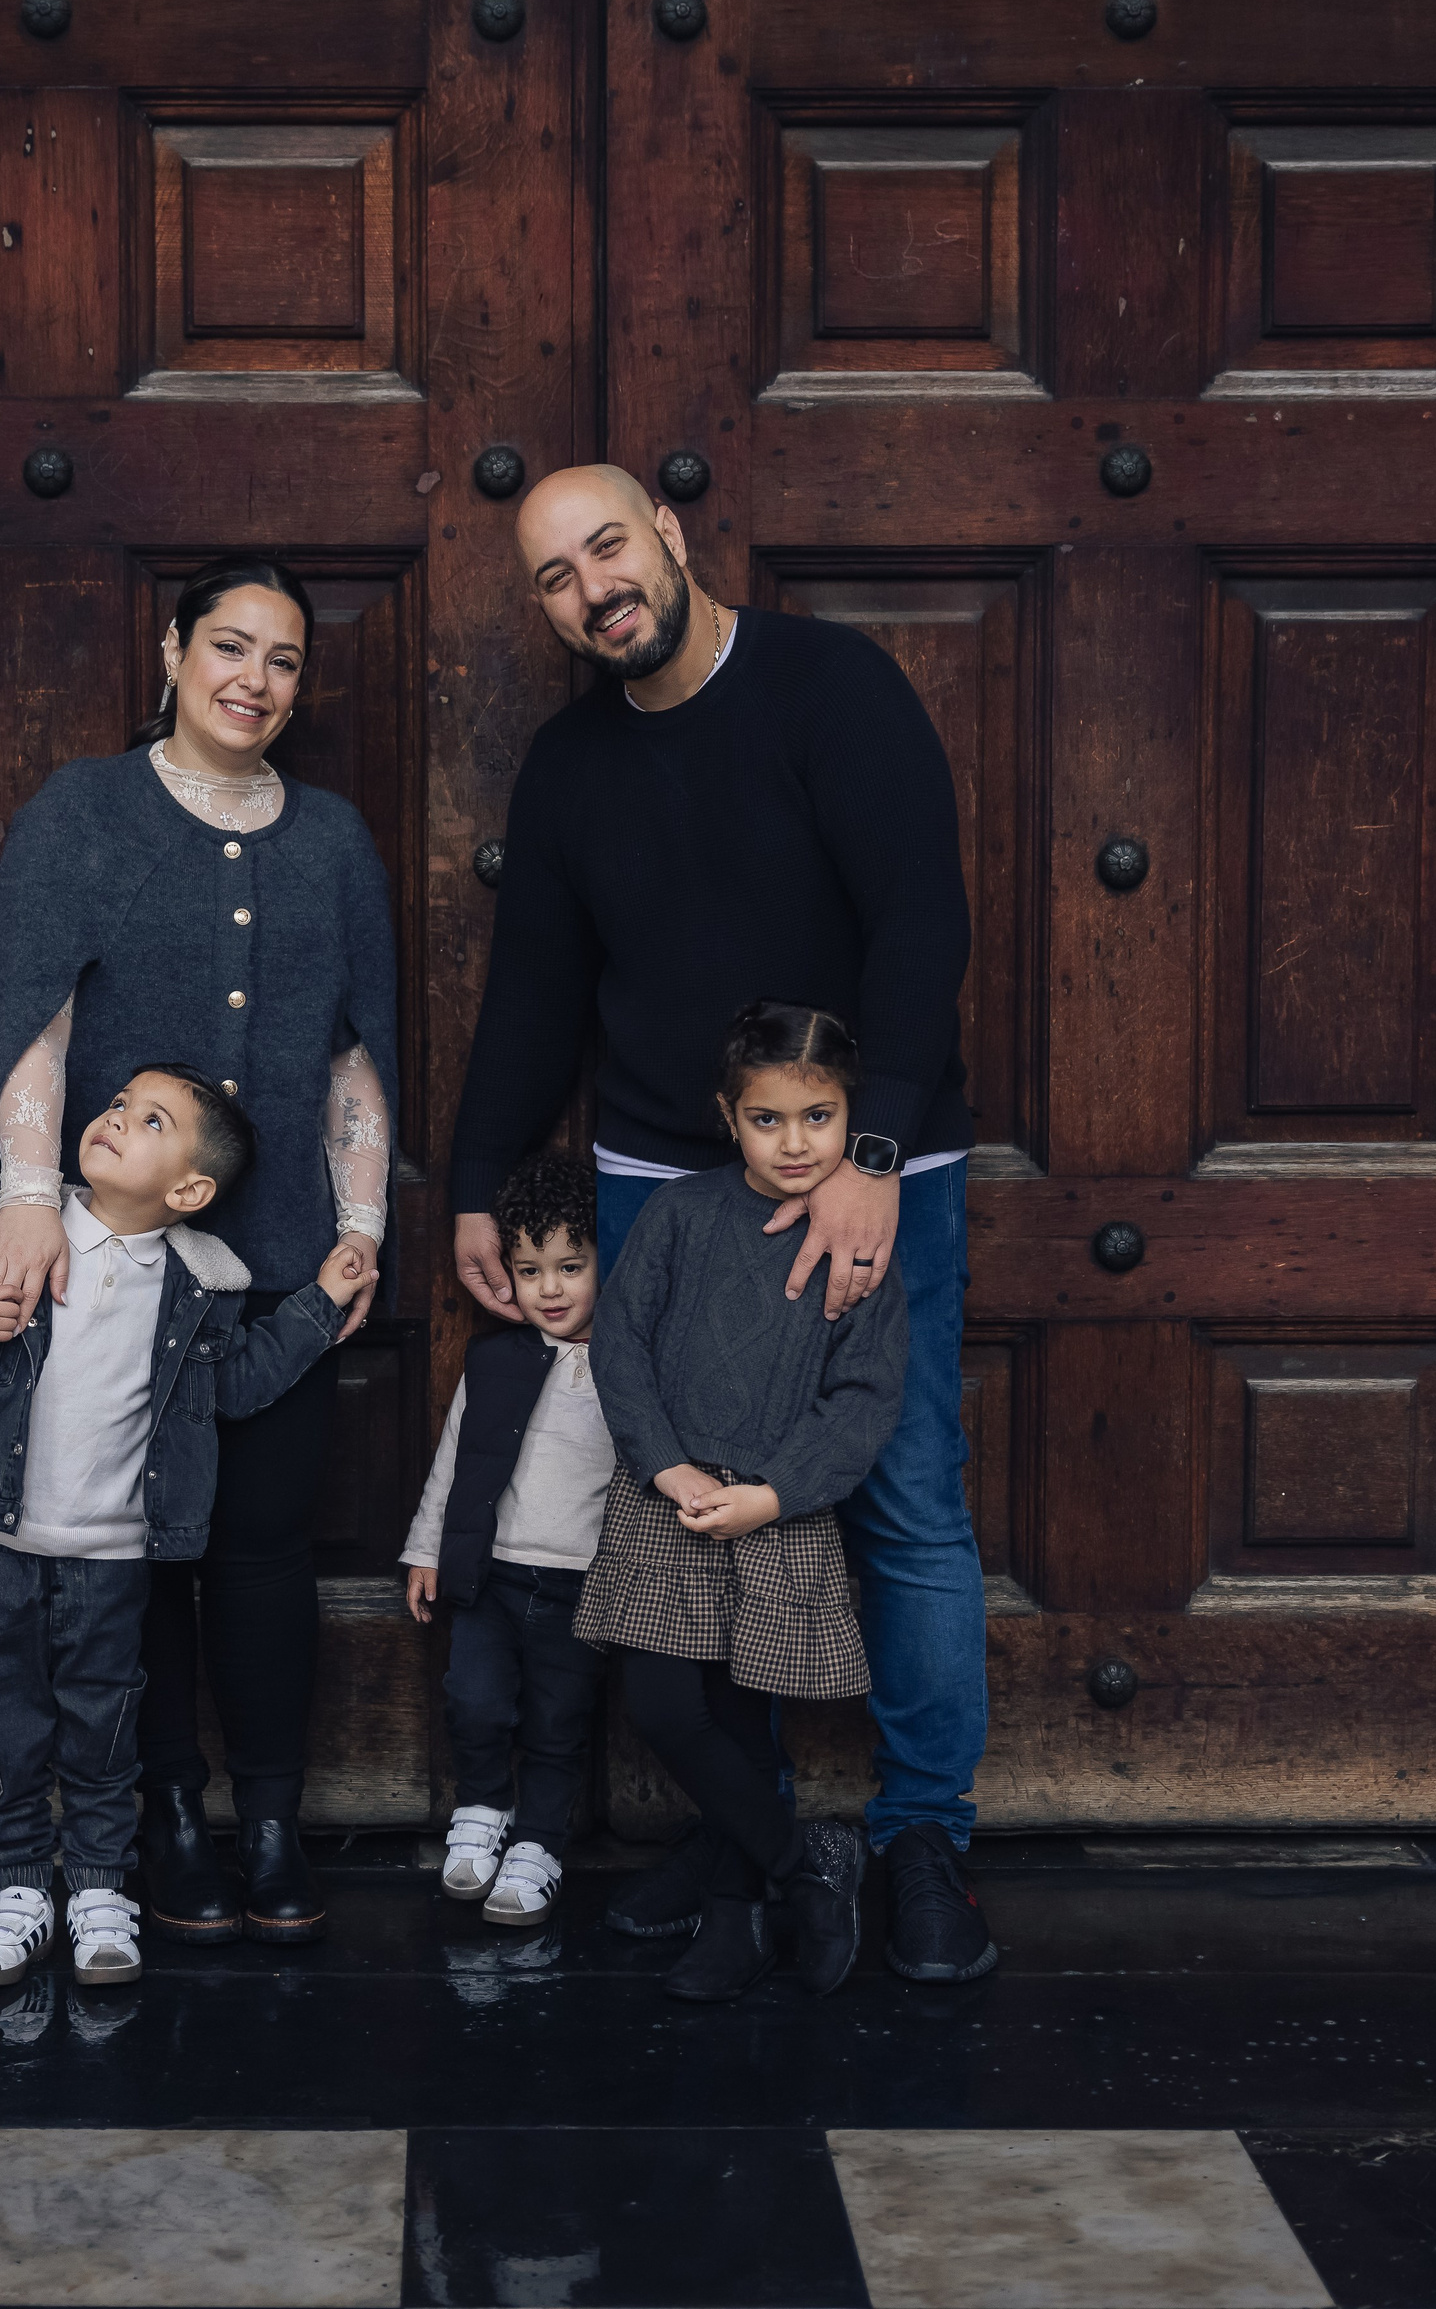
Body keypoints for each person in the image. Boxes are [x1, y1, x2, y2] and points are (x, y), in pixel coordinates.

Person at [449, 463, 994, 1985]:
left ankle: (924, 1840)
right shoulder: (570, 766)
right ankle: (753, 1838)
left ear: (672, 536)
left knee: (902, 1499)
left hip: (869, 1166)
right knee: (690, 1508)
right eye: (556, 577)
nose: (593, 589)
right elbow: (535, 990)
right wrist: (478, 1177)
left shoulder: (832, 688)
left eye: (608, 548)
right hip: (665, 1180)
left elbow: (921, 923)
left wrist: (873, 1151)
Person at [0, 559, 397, 1950]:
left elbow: (355, 1056)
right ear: (175, 650)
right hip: (111, 1257)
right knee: (136, 1556)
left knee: (263, 1549)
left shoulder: (334, 839)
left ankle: (271, 1820)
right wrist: (23, 1198)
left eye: (285, 659)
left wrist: (361, 1228)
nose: (256, 679)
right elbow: (32, 1018)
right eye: (230, 646)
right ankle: (169, 1817)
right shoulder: (84, 810)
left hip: (283, 1258)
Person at [0, 1065, 360, 1985]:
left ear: (188, 1191)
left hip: (112, 1555)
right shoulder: (5, 1234)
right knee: (1, 1717)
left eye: (150, 1120)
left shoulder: (200, 1282)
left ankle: (101, 1887)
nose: (115, 1118)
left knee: (105, 1727)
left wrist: (319, 1302)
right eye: (117, 1104)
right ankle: (19, 1886)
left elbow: (236, 1383)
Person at [579, 1002, 907, 2002]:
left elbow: (864, 1399)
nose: (794, 1142)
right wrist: (666, 1465)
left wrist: (775, 1493)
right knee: (665, 1707)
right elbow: (620, 1343)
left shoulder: (862, 1251)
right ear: (729, 1118)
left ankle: (737, 1916)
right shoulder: (681, 1215)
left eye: (818, 1117)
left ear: (849, 1118)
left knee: (738, 1718)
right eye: (768, 1119)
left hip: (775, 1516)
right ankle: (808, 1863)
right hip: (669, 1501)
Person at [400, 1153, 613, 1929]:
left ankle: (540, 1843)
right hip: (491, 1576)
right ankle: (484, 1808)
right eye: (529, 1270)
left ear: (605, 1262)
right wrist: (427, 1547)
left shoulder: (627, 1364)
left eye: (570, 1267)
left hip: (583, 1585)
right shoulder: (493, 1360)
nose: (549, 1288)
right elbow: (455, 1459)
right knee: (474, 1700)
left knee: (558, 1723)